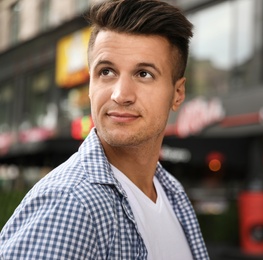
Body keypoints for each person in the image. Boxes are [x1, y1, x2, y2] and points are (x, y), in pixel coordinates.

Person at [0, 0, 209, 259]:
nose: (121, 95)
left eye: (143, 74)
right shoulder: (70, 204)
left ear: (177, 93)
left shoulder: (170, 191)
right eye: (106, 71)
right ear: (89, 85)